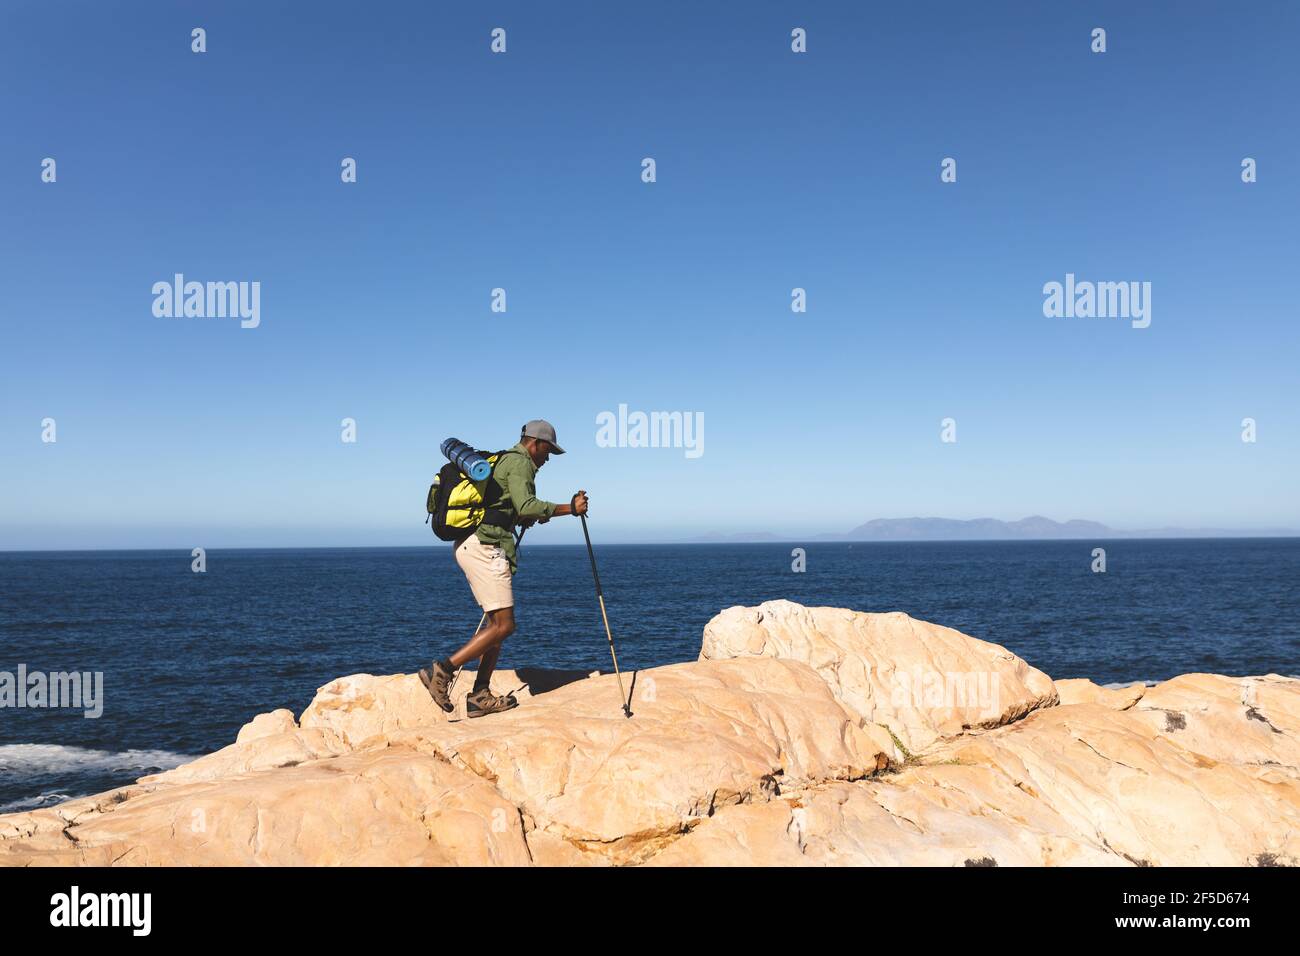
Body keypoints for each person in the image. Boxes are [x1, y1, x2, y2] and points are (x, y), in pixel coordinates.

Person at [419, 419, 589, 718]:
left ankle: (479, 696)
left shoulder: (505, 462)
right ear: (534, 443)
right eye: (547, 451)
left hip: (477, 544)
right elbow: (526, 505)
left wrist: (518, 517)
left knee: (497, 627)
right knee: (504, 625)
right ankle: (441, 672)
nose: (547, 458)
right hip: (485, 547)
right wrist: (569, 509)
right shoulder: (520, 463)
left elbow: (510, 508)